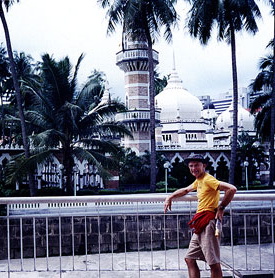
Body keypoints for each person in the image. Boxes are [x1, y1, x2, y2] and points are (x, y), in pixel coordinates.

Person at [164, 154, 237, 278]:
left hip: (208, 223)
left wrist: (221, 207)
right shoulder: (199, 180)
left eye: (196, 165)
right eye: (191, 166)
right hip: (201, 223)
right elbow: (186, 190)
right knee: (189, 259)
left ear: (204, 165)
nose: (193, 168)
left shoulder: (208, 179)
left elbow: (231, 189)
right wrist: (170, 197)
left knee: (213, 263)